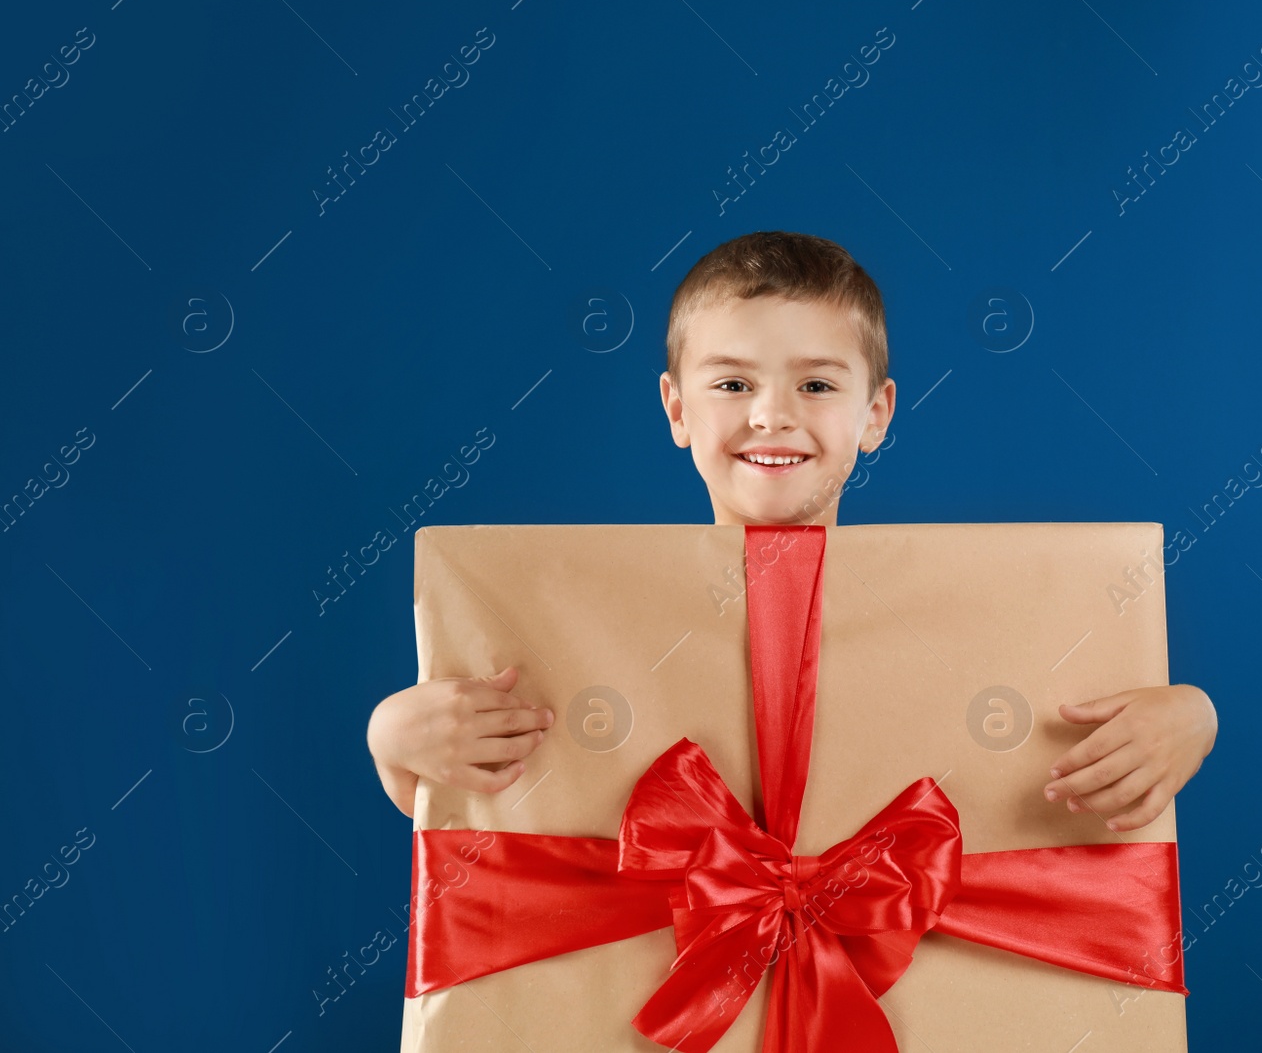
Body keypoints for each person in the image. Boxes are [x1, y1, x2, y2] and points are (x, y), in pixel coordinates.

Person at [367, 230, 1217, 831]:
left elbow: (1038, 765)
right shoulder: (584, 625)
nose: (773, 414)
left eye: (816, 385)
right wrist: (394, 742)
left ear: (876, 413)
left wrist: (1192, 715)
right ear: (675, 408)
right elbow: (501, 824)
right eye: (733, 384)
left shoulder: (967, 617)